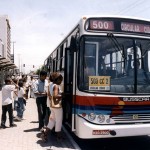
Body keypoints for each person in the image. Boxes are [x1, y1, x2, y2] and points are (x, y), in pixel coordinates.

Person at [40, 72, 63, 142]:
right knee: (58, 121)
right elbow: (55, 96)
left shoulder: (50, 85)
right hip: (57, 107)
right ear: (58, 79)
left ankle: (45, 133)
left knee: (52, 121)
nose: (61, 81)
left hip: (52, 106)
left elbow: (49, 95)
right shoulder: (56, 86)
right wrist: (62, 96)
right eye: (61, 80)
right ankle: (58, 137)